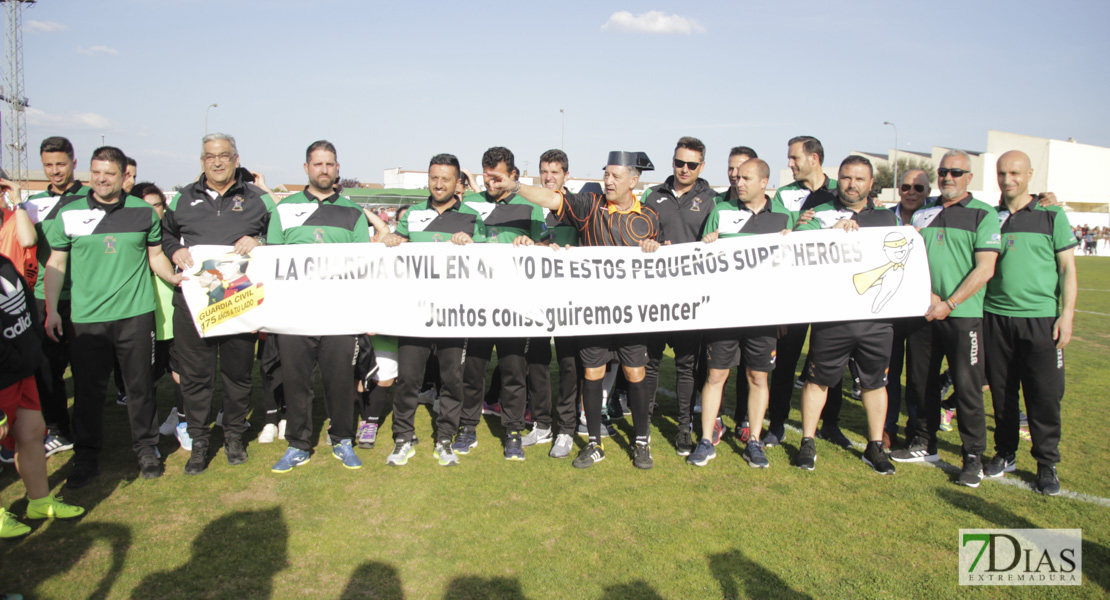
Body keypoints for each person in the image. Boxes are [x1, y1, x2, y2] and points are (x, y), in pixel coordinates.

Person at [485, 151, 662, 469]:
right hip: (593, 311)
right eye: (605, 174)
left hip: (631, 313)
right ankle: (593, 443)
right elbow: (551, 199)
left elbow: (665, 254)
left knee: (635, 373)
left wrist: (654, 246)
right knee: (592, 373)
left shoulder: (649, 216)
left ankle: (641, 442)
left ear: (633, 181)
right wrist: (515, 186)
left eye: (615, 176)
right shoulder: (589, 206)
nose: (608, 181)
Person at [44, 146, 182, 487]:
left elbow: (155, 258)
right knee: (90, 391)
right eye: (96, 172)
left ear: (123, 176)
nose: (101, 179)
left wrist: (175, 278)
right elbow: (56, 265)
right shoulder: (70, 213)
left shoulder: (144, 212)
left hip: (135, 315)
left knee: (140, 388)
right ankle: (86, 456)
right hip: (87, 319)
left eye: (109, 173)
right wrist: (50, 311)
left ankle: (147, 450)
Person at [161, 133, 275, 475]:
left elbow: (280, 236)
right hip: (194, 303)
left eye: (224, 155)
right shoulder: (181, 199)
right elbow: (164, 234)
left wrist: (258, 239)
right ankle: (199, 442)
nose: (217, 161)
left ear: (236, 159)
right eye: (210, 156)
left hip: (239, 301)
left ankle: (234, 437)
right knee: (196, 377)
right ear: (202, 162)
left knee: (238, 375)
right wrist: (173, 250)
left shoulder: (258, 199)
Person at [891, 150, 1000, 489]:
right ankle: (925, 442)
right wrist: (929, 298)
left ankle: (973, 457)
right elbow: (909, 259)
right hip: (924, 312)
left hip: (962, 315)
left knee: (967, 387)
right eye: (942, 171)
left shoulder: (984, 214)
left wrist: (950, 302)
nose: (948, 177)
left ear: (969, 177)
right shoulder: (923, 213)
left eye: (956, 171)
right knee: (921, 383)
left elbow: (986, 268)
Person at [791, 155, 897, 474]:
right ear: (839, 179)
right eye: (847, 178)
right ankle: (807, 442)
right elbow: (797, 252)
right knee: (817, 379)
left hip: (875, 317)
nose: (852, 185)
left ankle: (875, 446)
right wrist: (830, 236)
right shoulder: (817, 214)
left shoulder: (888, 220)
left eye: (860, 179)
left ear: (871, 184)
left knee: (874, 382)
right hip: (832, 314)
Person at [268, 141, 369, 473]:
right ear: (306, 168)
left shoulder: (353, 212)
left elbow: (363, 266)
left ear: (337, 168)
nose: (324, 170)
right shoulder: (283, 210)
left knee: (340, 381)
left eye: (330, 164)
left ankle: (342, 439)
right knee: (296, 382)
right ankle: (298, 444)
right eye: (318, 164)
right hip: (294, 316)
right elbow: (272, 262)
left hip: (340, 315)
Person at [381, 153, 486, 467]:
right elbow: (396, 244)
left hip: (454, 312)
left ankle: (445, 439)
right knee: (409, 379)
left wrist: (472, 245)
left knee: (452, 379)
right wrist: (392, 240)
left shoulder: (471, 217)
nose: (439, 184)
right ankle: (403, 438)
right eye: (434, 178)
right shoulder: (411, 214)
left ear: (458, 183)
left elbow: (487, 263)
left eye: (446, 179)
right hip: (415, 311)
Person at [981, 150, 1077, 495]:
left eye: (1016, 173)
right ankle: (1005, 453)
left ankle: (1046, 463)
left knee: (1044, 395)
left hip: (1041, 321)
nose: (1008, 180)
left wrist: (1066, 315)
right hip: (996, 318)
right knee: (1003, 393)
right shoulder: (989, 217)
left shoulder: (1052, 216)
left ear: (1030, 174)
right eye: (1002, 173)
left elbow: (1067, 269)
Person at [689, 158, 793, 468]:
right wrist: (707, 243)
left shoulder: (783, 218)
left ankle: (755, 440)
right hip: (724, 312)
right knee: (716, 374)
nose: (739, 182)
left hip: (763, 314)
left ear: (764, 182)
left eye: (747, 178)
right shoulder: (721, 212)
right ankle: (706, 440)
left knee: (757, 376)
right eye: (738, 178)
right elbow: (701, 260)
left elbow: (791, 270)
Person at [456, 147, 544, 460]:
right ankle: (467, 427)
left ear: (512, 175)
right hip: (479, 302)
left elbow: (545, 247)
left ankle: (513, 431)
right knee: (474, 369)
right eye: (486, 174)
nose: (491, 181)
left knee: (513, 370)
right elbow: (458, 240)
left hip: (515, 303)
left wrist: (532, 244)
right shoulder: (470, 203)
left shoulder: (530, 205)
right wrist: (460, 239)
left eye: (497, 175)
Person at [764, 136, 850, 449]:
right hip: (795, 291)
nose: (789, 164)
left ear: (813, 158)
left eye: (794, 158)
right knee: (785, 360)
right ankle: (776, 424)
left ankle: (831, 424)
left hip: (831, 292)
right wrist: (795, 226)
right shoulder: (785, 195)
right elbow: (775, 232)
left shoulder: (837, 192)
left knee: (832, 362)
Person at [638, 137, 716, 457]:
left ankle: (684, 428)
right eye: (679, 162)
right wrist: (647, 243)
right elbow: (638, 233)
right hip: (656, 295)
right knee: (651, 362)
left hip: (690, 297)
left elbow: (720, 245)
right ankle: (643, 423)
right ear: (672, 161)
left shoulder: (713, 200)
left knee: (687, 365)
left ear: (702, 166)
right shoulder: (651, 194)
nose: (684, 169)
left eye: (691, 165)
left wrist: (715, 241)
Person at [0, 252, 85, 538]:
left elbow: (24, 307)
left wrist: (32, 349)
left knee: (33, 431)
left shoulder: (3, 262)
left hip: (22, 371)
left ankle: (39, 501)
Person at [20, 137, 90, 459]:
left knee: (86, 365)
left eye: (60, 164)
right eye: (48, 165)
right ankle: (60, 429)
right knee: (46, 368)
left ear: (74, 163)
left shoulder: (91, 197)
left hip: (84, 295)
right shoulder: (32, 203)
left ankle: (88, 430)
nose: (54, 171)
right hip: (42, 296)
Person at [521, 149, 581, 459]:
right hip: (538, 299)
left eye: (555, 172)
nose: (549, 177)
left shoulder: (577, 208)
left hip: (570, 300)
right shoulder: (532, 208)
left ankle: (567, 429)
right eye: (545, 171)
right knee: (538, 362)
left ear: (566, 175)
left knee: (570, 364)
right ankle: (542, 424)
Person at [133, 182, 189, 450]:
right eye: (145, 206)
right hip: (144, 318)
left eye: (156, 205)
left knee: (182, 373)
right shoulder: (131, 238)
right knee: (148, 378)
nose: (152, 211)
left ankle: (184, 423)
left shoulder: (173, 239)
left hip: (176, 315)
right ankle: (149, 433)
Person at [883, 169, 930, 449]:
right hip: (889, 308)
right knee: (888, 371)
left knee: (919, 375)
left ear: (928, 192)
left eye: (919, 188)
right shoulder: (884, 216)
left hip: (923, 308)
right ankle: (887, 427)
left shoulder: (938, 215)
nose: (911, 192)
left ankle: (917, 429)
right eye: (905, 186)